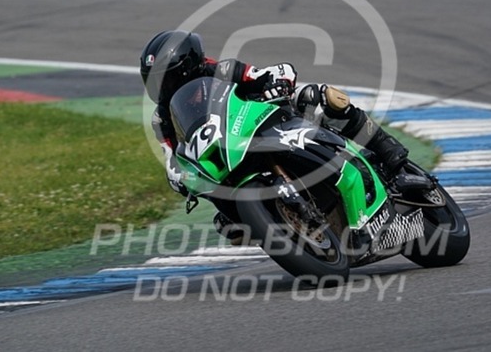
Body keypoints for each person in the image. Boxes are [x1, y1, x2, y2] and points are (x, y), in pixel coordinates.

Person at [140, 29, 409, 243]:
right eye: (153, 81)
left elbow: (277, 72)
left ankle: (388, 151)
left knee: (322, 97)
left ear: (187, 67)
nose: (160, 88)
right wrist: (179, 176)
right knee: (225, 221)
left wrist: (276, 85)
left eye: (164, 79)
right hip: (232, 154)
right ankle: (272, 222)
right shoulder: (162, 118)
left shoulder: (222, 71)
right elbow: (171, 158)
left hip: (273, 120)